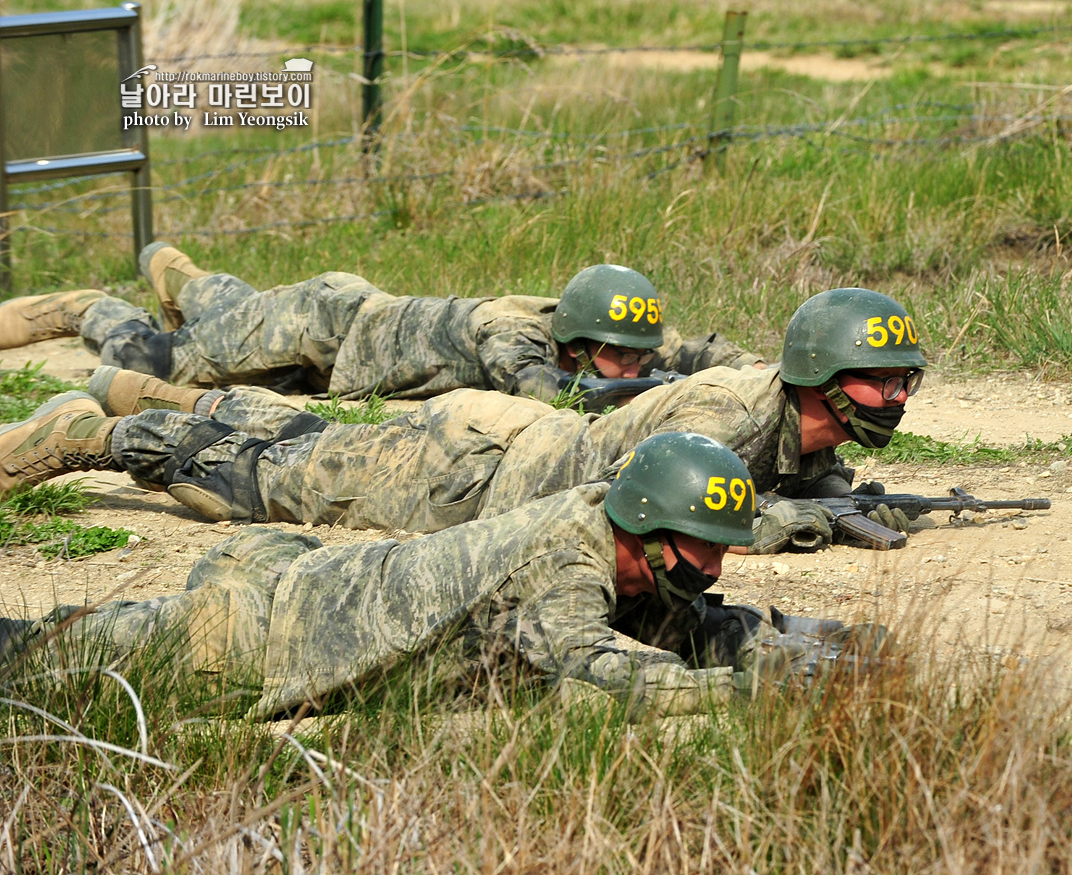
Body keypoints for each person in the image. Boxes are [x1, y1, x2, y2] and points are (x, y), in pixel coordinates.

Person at [0, 288, 926, 553]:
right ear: (818, 377)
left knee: (315, 449)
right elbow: (645, 501)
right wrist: (781, 521)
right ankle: (93, 436)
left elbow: (798, 481)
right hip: (476, 469)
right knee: (267, 487)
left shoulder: (803, 426)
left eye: (903, 385)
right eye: (877, 382)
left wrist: (841, 498)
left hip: (499, 456)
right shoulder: (722, 413)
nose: (893, 401)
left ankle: (160, 402)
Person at [0, 433, 800, 719]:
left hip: (315, 578)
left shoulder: (614, 527)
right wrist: (747, 688)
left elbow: (681, 624)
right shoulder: (565, 559)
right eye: (700, 549)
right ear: (646, 531)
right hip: (259, 638)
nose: (714, 567)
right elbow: (599, 672)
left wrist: (778, 642)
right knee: (32, 658)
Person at [0, 243, 762, 402]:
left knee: (230, 318)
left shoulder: (602, 330)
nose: (634, 365)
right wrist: (657, 390)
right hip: (325, 324)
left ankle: (183, 275)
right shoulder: (515, 334)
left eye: (634, 357)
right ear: (579, 341)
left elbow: (686, 347)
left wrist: (754, 370)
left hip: (340, 350)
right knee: (162, 364)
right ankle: (82, 308)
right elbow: (548, 396)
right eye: (619, 359)